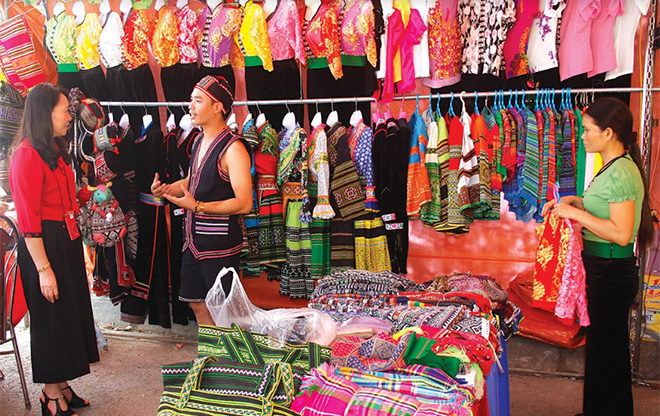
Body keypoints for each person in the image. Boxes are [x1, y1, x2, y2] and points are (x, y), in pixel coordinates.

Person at [542, 97, 655, 416]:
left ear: (608, 133)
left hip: (610, 273)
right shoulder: (615, 168)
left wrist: (574, 213)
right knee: (606, 353)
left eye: (587, 129)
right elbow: (609, 212)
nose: (582, 135)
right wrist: (579, 204)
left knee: (608, 354)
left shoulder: (620, 173)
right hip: (605, 271)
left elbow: (621, 233)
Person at [9, 83, 99, 416]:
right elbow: (29, 218)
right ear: (46, 114)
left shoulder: (55, 150)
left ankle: (61, 385)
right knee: (50, 318)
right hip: (43, 245)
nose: (68, 117)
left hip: (66, 239)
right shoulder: (26, 156)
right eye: (64, 111)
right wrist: (44, 270)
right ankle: (50, 394)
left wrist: (88, 194)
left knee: (67, 315)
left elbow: (64, 196)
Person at [151, 75, 252, 326]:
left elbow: (244, 202)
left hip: (220, 243)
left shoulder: (233, 148)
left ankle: (231, 362)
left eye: (198, 101)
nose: (190, 107)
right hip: (193, 241)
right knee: (197, 302)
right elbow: (192, 180)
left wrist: (197, 207)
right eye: (191, 101)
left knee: (226, 311)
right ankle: (211, 357)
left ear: (218, 107)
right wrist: (165, 190)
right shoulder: (198, 140)